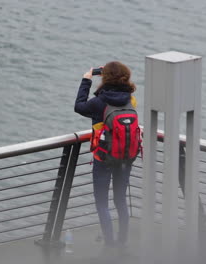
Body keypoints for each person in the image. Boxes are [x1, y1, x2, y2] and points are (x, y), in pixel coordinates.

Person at [74, 61, 137, 249]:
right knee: (120, 200)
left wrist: (86, 80)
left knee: (102, 203)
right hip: (126, 157)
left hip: (103, 158)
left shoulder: (98, 102)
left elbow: (79, 106)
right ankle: (122, 242)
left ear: (105, 78)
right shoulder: (131, 100)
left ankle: (110, 246)